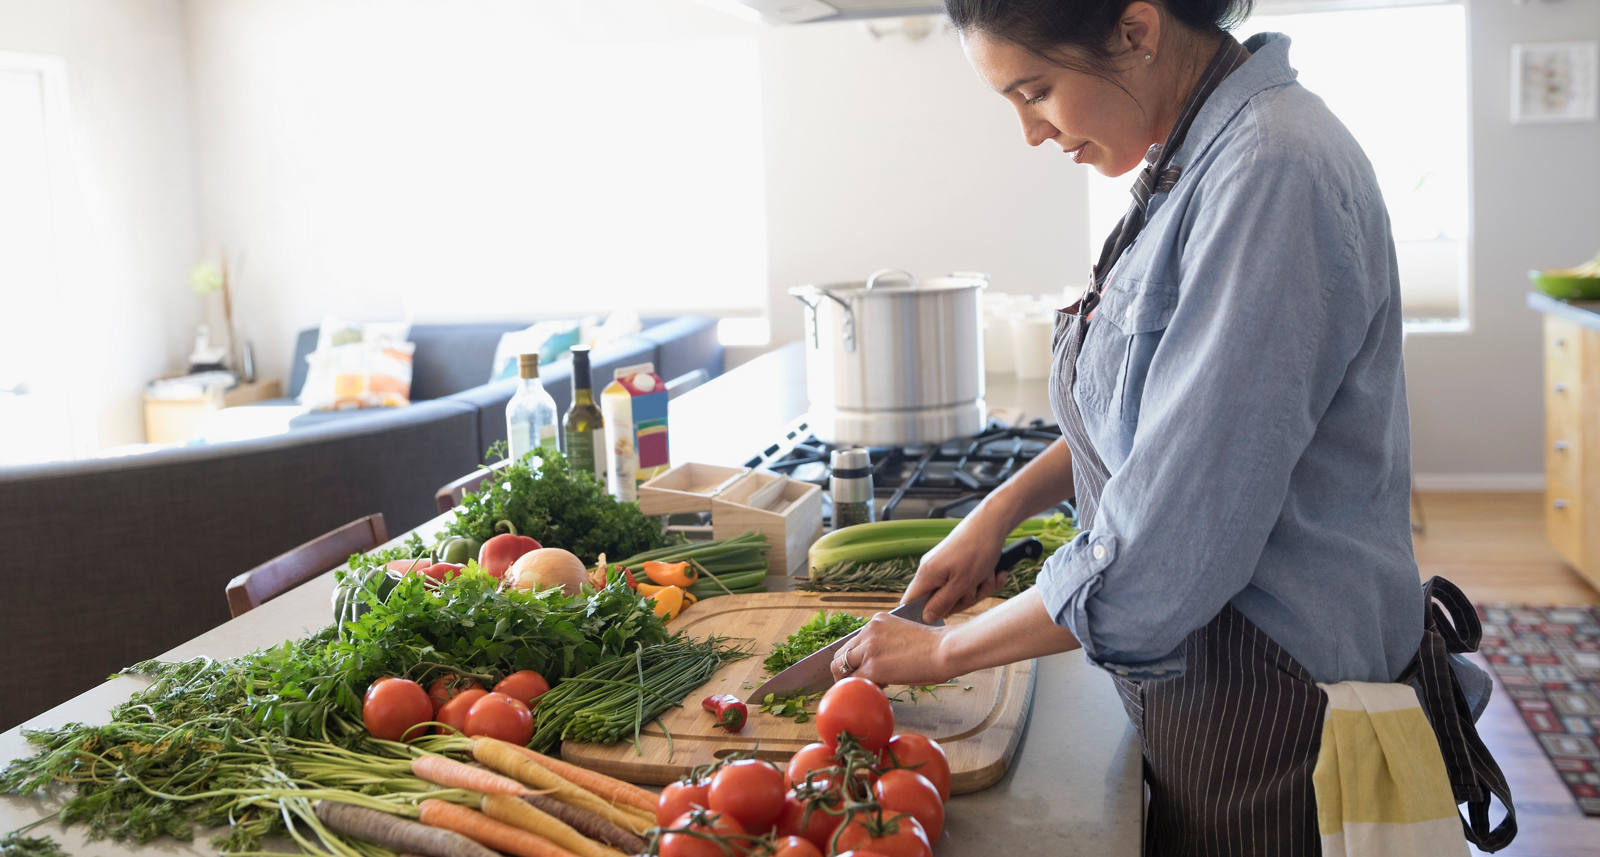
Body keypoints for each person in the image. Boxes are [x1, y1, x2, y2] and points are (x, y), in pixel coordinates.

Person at [827, 1, 1514, 853]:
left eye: (1035, 92)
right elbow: (1167, 412)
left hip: (1285, 724)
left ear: (1137, 31)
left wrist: (942, 652)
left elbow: (1160, 556)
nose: (1031, 133)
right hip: (1228, 691)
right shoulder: (1196, 159)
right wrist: (997, 511)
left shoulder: (1271, 174)